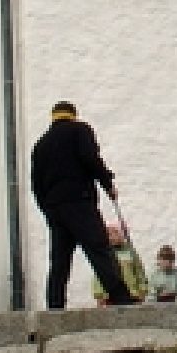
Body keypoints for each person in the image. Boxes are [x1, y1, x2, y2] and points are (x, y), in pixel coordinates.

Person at [30, 101, 137, 310]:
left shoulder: (41, 144)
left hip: (55, 207)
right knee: (99, 249)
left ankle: (55, 304)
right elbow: (90, 159)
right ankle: (121, 298)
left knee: (60, 259)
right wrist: (107, 183)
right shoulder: (80, 130)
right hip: (79, 201)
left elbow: (36, 184)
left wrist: (47, 208)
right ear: (73, 115)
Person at [94, 223, 149, 305]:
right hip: (109, 297)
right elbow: (98, 276)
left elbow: (139, 272)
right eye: (108, 234)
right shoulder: (103, 255)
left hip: (132, 294)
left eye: (115, 233)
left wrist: (142, 290)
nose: (112, 237)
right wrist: (99, 294)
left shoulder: (130, 252)